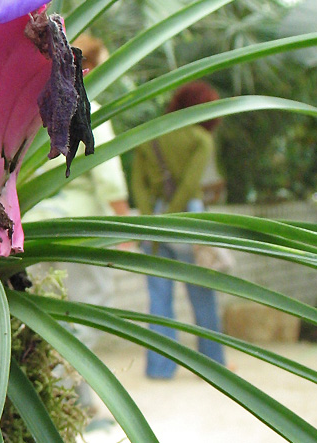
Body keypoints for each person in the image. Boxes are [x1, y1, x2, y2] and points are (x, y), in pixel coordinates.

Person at [23, 34, 129, 430]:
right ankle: (72, 401)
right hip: (79, 230)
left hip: (34, 226)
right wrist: (125, 224)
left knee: (46, 313)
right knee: (86, 312)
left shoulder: (37, 107)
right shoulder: (91, 108)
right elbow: (109, 178)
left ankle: (63, 401)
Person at [131, 81, 226, 379]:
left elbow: (138, 183)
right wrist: (173, 218)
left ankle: (160, 369)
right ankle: (212, 366)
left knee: (159, 299)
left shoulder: (150, 135)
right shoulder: (201, 139)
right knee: (202, 293)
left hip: (154, 218)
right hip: (188, 220)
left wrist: (151, 220)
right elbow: (190, 185)